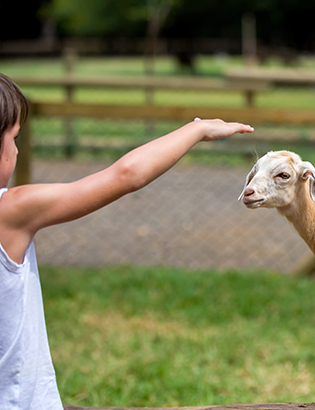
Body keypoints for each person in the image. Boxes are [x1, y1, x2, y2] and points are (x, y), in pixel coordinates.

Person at [0, 72, 254, 409]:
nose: (16, 150)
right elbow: (126, 175)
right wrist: (196, 129)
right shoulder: (10, 212)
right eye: (14, 138)